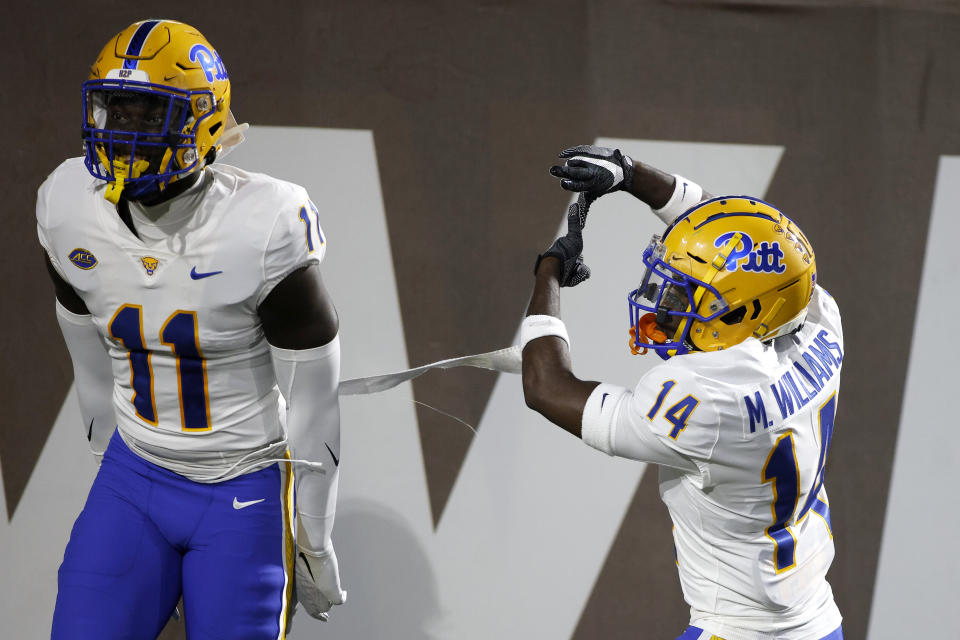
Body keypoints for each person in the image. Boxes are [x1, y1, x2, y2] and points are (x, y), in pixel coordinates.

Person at [37, 19, 345, 639]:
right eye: (111, 107)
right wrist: (108, 469)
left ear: (204, 121)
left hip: (243, 487)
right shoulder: (66, 206)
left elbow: (314, 397)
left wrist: (313, 534)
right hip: (134, 474)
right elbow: (91, 369)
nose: (121, 131)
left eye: (147, 113)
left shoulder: (264, 223)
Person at [522, 145, 843, 639]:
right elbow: (735, 232)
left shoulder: (705, 395)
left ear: (743, 315)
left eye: (692, 295)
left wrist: (548, 272)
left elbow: (545, 388)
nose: (669, 305)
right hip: (817, 621)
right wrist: (631, 175)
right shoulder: (818, 320)